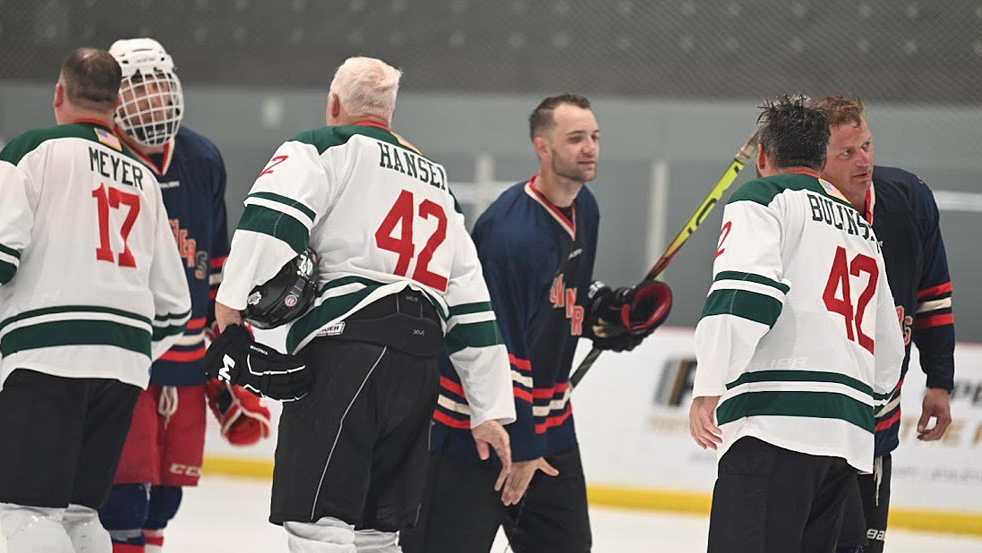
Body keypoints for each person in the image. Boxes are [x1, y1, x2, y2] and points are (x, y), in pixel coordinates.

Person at [205, 56, 515, 553]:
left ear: (334, 103)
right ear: (390, 113)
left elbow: (271, 220)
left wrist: (230, 315)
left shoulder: (323, 146)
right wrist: (489, 407)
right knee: (377, 536)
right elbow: (470, 301)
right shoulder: (438, 183)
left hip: (346, 353)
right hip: (418, 368)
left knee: (318, 528)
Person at [400, 94, 671, 553]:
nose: (590, 148)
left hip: (548, 424)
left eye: (594, 137)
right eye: (575, 139)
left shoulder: (586, 209)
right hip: (476, 429)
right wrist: (523, 445)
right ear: (542, 147)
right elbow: (500, 346)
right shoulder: (512, 236)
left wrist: (609, 314)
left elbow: (563, 301)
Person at [0, 48, 191, 553]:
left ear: (59, 94)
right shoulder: (144, 178)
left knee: (27, 512)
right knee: (79, 515)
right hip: (120, 371)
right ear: (117, 104)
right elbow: (175, 305)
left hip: (48, 360)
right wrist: (126, 349)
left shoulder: (32, 150)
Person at [688, 95, 905, 553]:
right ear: (821, 152)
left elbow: (745, 294)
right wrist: (869, 406)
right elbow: (889, 348)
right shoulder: (864, 230)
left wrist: (709, 382)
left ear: (763, 156)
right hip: (845, 443)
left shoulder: (763, 197)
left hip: (775, 426)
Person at [95, 38, 271, 553]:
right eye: (139, 90)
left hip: (186, 350)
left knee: (166, 497)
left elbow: (217, 264)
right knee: (123, 488)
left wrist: (232, 365)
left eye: (158, 88)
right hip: (122, 347)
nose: (151, 102)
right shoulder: (100, 155)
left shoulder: (201, 158)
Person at [812, 96, 956, 553]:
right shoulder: (800, 211)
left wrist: (940, 381)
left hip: (877, 419)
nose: (865, 161)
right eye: (847, 153)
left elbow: (934, 296)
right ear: (818, 161)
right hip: (814, 423)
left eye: (868, 145)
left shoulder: (909, 198)